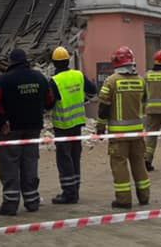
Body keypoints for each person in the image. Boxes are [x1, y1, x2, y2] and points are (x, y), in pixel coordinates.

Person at [0, 49, 55, 215]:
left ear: (11, 62)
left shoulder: (3, 80)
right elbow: (50, 100)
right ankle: (32, 201)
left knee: (10, 164)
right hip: (33, 128)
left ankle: (10, 204)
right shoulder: (39, 78)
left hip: (11, 129)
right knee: (30, 162)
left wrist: (1, 122)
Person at [97, 46, 150, 209]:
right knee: (139, 163)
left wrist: (100, 126)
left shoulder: (111, 81)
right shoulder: (141, 80)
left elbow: (104, 107)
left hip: (119, 135)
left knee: (119, 166)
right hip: (137, 132)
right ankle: (144, 197)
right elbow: (145, 102)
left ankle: (124, 199)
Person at [47, 46, 97, 204]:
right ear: (68, 61)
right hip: (77, 123)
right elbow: (93, 90)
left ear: (54, 63)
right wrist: (82, 98)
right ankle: (75, 189)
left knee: (64, 158)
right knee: (75, 156)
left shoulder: (55, 81)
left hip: (62, 125)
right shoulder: (78, 75)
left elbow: (49, 104)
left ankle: (69, 193)